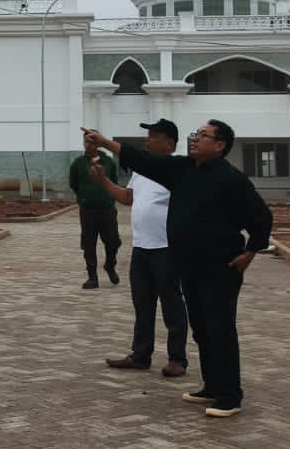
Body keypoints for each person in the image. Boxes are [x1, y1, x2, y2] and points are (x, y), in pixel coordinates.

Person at [81, 120, 272, 418]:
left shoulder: (231, 179)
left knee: (220, 329)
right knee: (202, 329)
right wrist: (105, 143)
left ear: (220, 145)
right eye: (195, 135)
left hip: (220, 266)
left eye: (202, 136)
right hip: (190, 264)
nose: (194, 140)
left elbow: (261, 217)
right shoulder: (182, 170)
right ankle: (211, 386)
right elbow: (142, 160)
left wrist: (251, 250)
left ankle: (230, 396)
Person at [89, 119, 189, 377]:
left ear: (169, 142)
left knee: (172, 305)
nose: (147, 139)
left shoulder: (178, 167)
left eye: (153, 135)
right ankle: (141, 355)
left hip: (167, 248)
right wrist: (103, 180)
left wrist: (104, 142)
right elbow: (127, 198)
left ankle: (177, 359)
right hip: (142, 248)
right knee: (142, 305)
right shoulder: (142, 170)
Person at [68, 142, 121, 289]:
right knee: (88, 244)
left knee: (113, 241)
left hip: (107, 209)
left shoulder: (109, 162)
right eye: (85, 142)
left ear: (97, 143)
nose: (88, 145)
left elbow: (114, 182)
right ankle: (92, 277)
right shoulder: (78, 163)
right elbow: (73, 183)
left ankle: (110, 266)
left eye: (92, 142)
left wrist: (108, 197)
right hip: (87, 211)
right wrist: (84, 196)